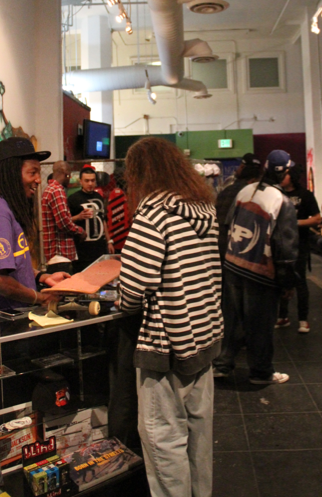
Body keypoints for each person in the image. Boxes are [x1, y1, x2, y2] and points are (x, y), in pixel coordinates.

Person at [119, 137, 223, 497]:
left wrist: (122, 298)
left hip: (166, 347)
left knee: (163, 441)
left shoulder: (153, 215)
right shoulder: (204, 209)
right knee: (199, 438)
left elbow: (133, 289)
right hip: (204, 337)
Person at [0, 137, 70, 314]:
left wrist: (43, 277)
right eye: (32, 173)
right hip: (0, 319)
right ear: (12, 173)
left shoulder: (5, 206)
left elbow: (12, 266)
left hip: (10, 314)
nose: (38, 180)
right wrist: (40, 298)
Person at [224, 150, 298, 385]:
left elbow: (228, 223)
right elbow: (285, 248)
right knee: (261, 325)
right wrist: (287, 283)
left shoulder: (245, 191)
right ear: (284, 173)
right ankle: (261, 372)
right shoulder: (282, 201)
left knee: (232, 321)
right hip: (260, 273)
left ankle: (221, 365)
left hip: (233, 265)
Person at [213, 154, 262, 377]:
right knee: (246, 307)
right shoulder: (252, 195)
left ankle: (225, 351)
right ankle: (235, 355)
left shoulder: (226, 191)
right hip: (243, 256)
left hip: (222, 254)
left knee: (228, 305)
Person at [275, 165, 320, 333]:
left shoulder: (305, 195)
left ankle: (303, 319)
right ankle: (282, 316)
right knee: (280, 279)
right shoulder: (277, 194)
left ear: (292, 177)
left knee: (300, 281)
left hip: (300, 243)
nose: (282, 177)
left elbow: (317, 219)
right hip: (280, 244)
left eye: (285, 175)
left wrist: (294, 223)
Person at [41, 161, 88, 273]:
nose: (70, 178)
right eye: (69, 175)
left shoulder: (49, 189)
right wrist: (81, 231)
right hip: (60, 254)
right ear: (66, 173)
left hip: (54, 254)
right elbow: (63, 222)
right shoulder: (57, 190)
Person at [68, 166, 115, 273]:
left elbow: (103, 220)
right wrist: (78, 217)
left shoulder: (99, 197)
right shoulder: (73, 199)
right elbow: (65, 221)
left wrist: (109, 241)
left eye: (92, 180)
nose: (90, 183)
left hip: (99, 248)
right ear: (81, 181)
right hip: (82, 250)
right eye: (87, 181)